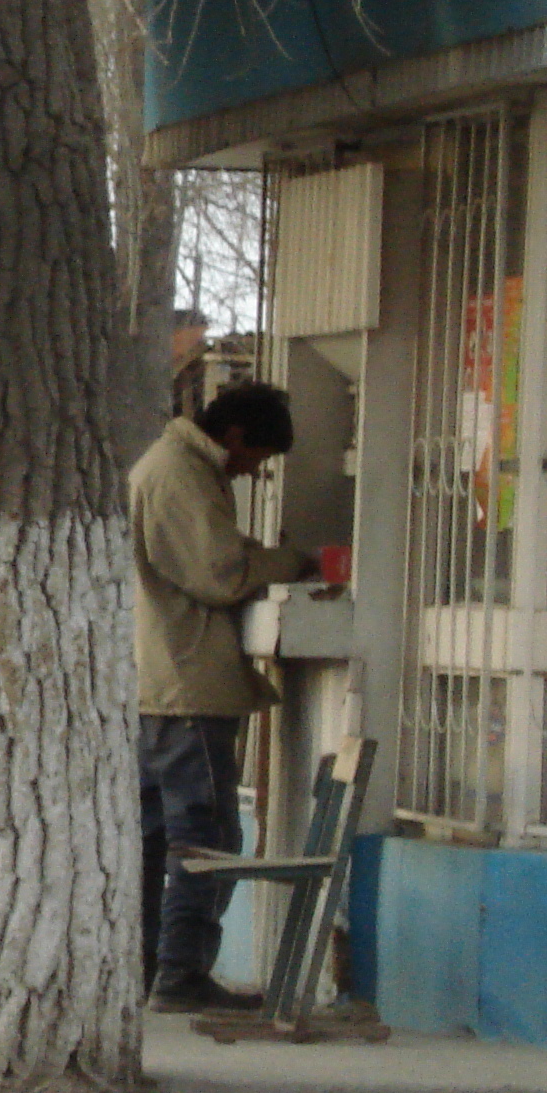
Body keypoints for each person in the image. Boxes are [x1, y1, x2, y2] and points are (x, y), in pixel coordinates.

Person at [130, 379, 317, 1014]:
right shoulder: (181, 473)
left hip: (156, 683)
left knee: (155, 841)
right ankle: (180, 974)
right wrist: (290, 563)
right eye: (253, 459)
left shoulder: (166, 465)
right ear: (234, 435)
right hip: (186, 686)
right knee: (205, 841)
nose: (247, 472)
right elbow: (220, 573)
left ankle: (148, 969)